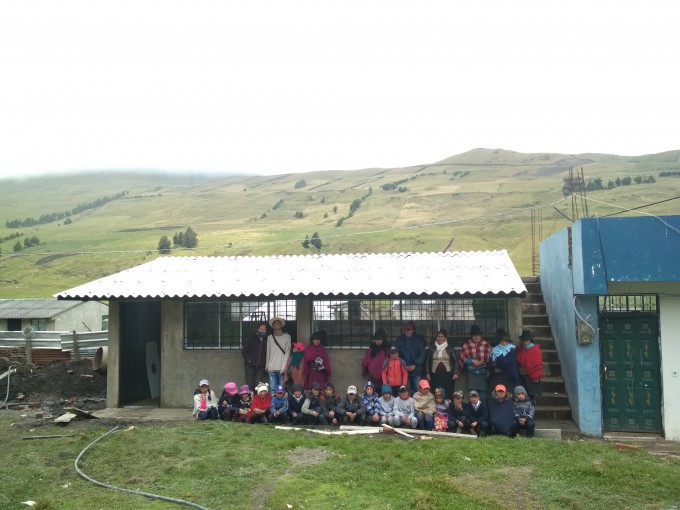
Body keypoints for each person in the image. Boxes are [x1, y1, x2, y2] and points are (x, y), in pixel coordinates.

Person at [458, 325, 491, 400]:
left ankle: (483, 410)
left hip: (483, 373)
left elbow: (490, 358)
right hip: (471, 373)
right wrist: (472, 361)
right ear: (471, 336)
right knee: (472, 395)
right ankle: (473, 411)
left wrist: (484, 363)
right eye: (474, 335)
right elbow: (462, 358)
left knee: (483, 395)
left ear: (481, 335)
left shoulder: (486, 344)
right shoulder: (466, 345)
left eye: (478, 335)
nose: (476, 337)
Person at [425, 328, 459, 400]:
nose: (439, 338)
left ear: (445, 338)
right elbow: (427, 361)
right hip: (435, 374)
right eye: (438, 336)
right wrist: (427, 373)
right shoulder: (432, 348)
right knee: (437, 391)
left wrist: (456, 373)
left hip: (448, 374)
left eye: (442, 336)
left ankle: (447, 407)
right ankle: (439, 406)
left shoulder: (450, 348)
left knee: (448, 391)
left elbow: (455, 361)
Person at [394, 322, 426, 395]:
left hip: (416, 369)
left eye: (410, 329)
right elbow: (395, 354)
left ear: (413, 330)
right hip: (403, 370)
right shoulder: (399, 340)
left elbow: (422, 354)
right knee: (405, 390)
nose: (408, 331)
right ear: (404, 330)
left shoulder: (418, 340)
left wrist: (415, 364)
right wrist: (404, 365)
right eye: (406, 330)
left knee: (418, 390)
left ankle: (418, 406)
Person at [488, 330, 521, 395]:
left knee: (507, 396)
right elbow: (490, 363)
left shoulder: (512, 350)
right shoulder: (494, 350)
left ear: (508, 342)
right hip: (496, 377)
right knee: (496, 396)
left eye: (506, 341)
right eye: (502, 341)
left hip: (508, 378)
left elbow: (512, 364)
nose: (503, 343)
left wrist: (499, 361)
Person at [516, 329, 544, 403]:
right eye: (523, 340)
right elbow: (518, 358)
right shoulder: (519, 349)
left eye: (526, 340)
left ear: (530, 340)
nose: (525, 342)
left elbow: (536, 362)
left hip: (531, 375)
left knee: (531, 394)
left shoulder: (535, 350)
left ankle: (531, 408)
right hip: (522, 375)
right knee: (523, 394)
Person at [266, 317, 292, 393]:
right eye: (274, 323)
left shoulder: (287, 337)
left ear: (281, 325)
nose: (276, 324)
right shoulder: (270, 337)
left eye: (278, 323)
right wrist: (267, 365)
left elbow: (287, 352)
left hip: (282, 368)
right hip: (272, 367)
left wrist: (284, 367)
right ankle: (273, 405)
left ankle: (282, 405)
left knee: (281, 389)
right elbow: (268, 352)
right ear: (272, 326)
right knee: (272, 389)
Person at [242, 322, 268, 392]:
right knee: (249, 384)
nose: (263, 331)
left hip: (261, 366)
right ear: (257, 329)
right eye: (261, 329)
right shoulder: (251, 338)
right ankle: (250, 399)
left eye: (264, 329)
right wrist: (249, 360)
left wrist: (265, 362)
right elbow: (244, 351)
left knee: (258, 384)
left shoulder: (266, 340)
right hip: (250, 365)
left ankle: (256, 400)